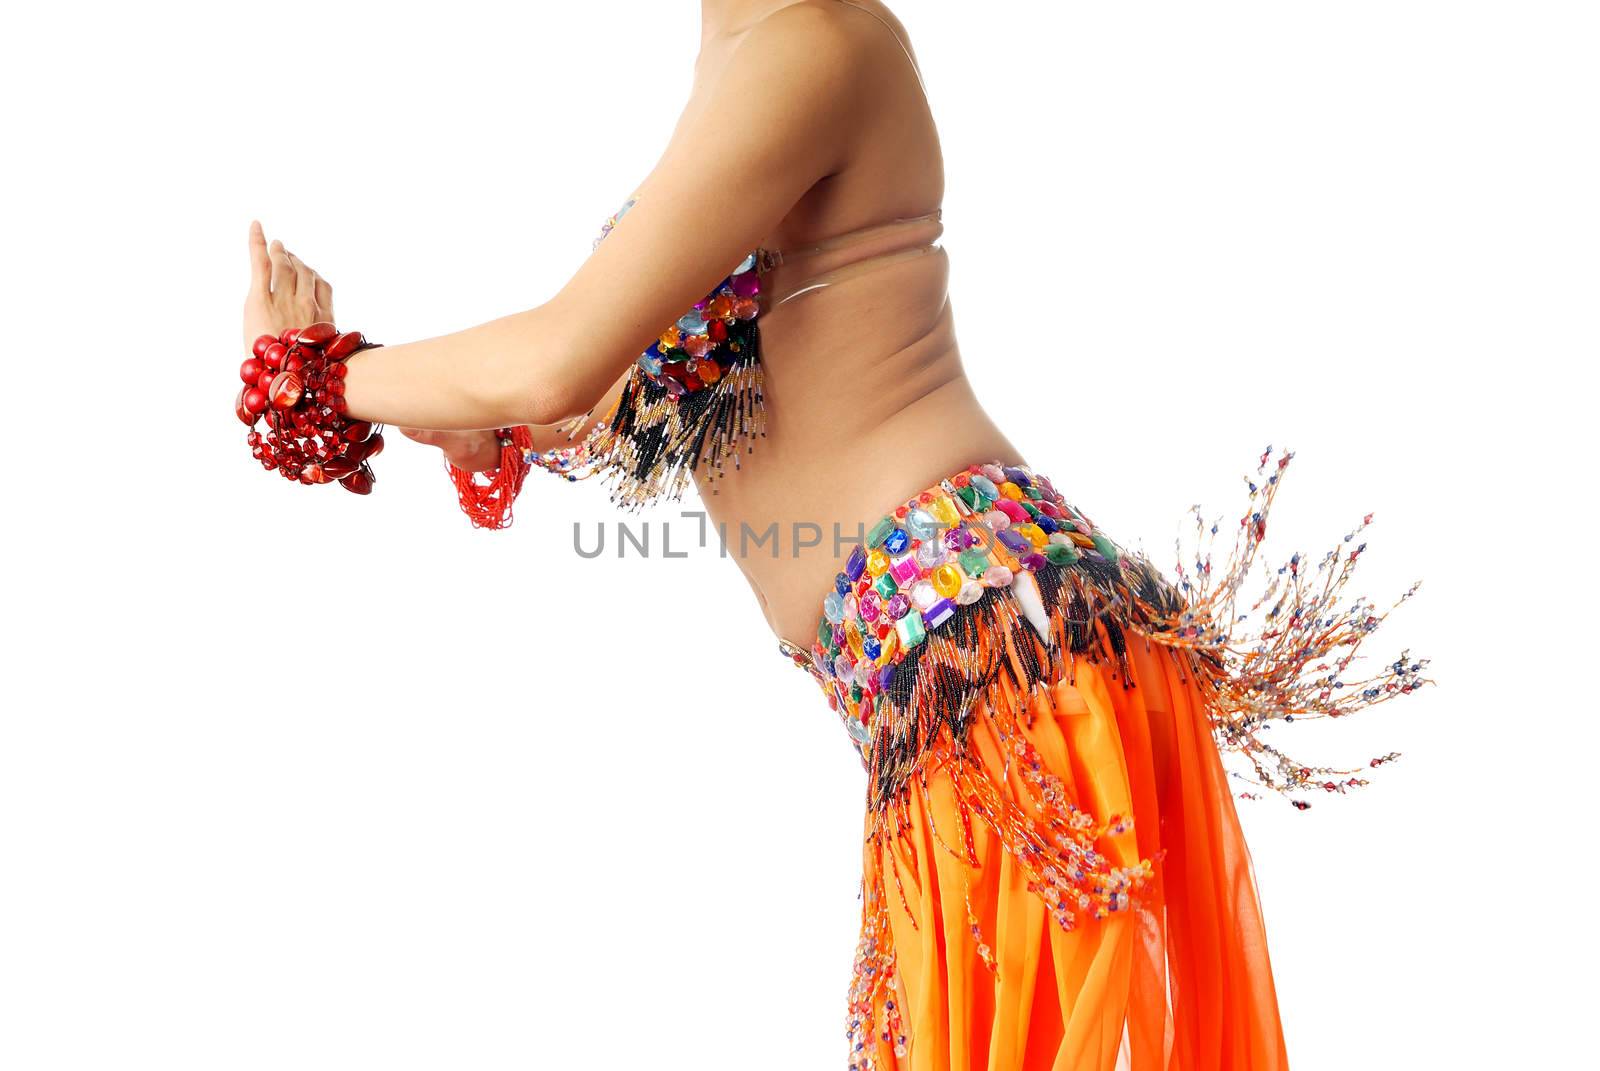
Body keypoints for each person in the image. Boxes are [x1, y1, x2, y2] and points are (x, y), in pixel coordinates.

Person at [237, 2, 1430, 1068]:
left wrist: (315, 379)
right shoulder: (741, 63)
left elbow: (561, 349)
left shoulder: (818, 40)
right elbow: (591, 391)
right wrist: (463, 419)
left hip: (994, 649)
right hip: (936, 678)